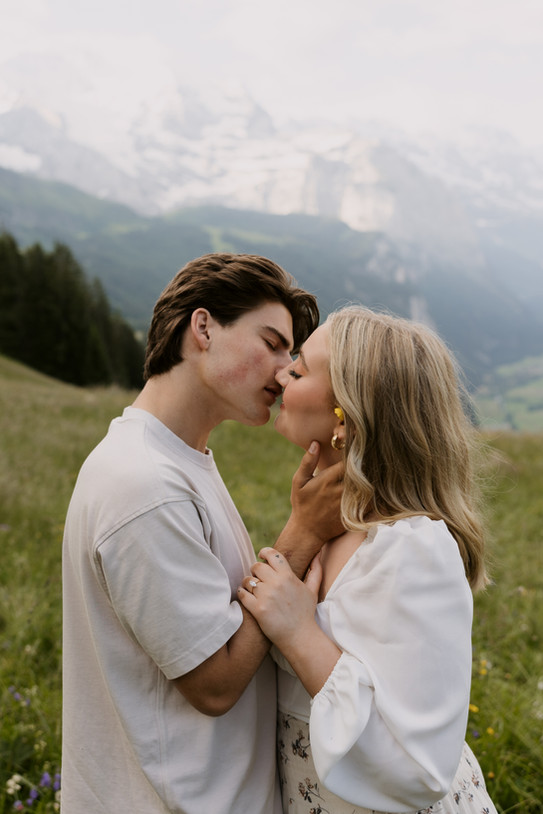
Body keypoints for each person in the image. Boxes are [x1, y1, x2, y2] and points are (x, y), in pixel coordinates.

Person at [61, 253, 344, 814]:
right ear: (203, 327)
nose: (287, 370)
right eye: (271, 342)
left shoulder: (178, 461)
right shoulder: (145, 485)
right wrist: (304, 531)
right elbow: (214, 682)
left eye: (293, 355)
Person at [239, 305, 498, 814]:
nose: (281, 372)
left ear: (349, 412)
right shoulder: (327, 526)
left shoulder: (412, 548)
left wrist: (298, 633)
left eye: (302, 368)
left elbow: (418, 770)